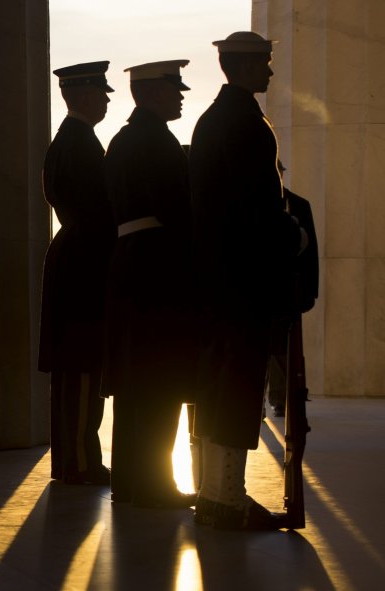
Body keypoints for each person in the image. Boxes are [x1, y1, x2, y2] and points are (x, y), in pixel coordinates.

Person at [188, 32, 308, 530]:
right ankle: (229, 498)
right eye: (265, 63)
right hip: (245, 277)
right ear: (245, 66)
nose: (272, 72)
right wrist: (296, 235)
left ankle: (216, 496)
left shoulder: (210, 120)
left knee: (221, 386)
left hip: (215, 275)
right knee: (239, 386)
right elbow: (259, 208)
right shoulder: (249, 125)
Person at [102, 60, 198, 508]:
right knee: (160, 379)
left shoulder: (122, 140)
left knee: (135, 382)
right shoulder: (157, 142)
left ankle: (130, 479)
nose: (180, 96)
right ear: (151, 94)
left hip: (129, 263)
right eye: (173, 90)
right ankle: (155, 484)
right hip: (159, 268)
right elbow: (178, 208)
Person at [38, 61, 117, 485]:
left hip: (74, 258)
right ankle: (80, 463)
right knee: (83, 366)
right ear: (84, 96)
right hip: (85, 264)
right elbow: (100, 211)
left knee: (76, 369)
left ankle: (75, 459)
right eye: (101, 94)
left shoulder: (69, 141)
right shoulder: (82, 144)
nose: (106, 100)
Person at [265, 160, 319, 417]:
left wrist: (310, 292)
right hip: (260, 289)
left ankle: (279, 397)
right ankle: (267, 400)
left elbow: (311, 255)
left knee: (280, 348)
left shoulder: (299, 205)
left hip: (286, 290)